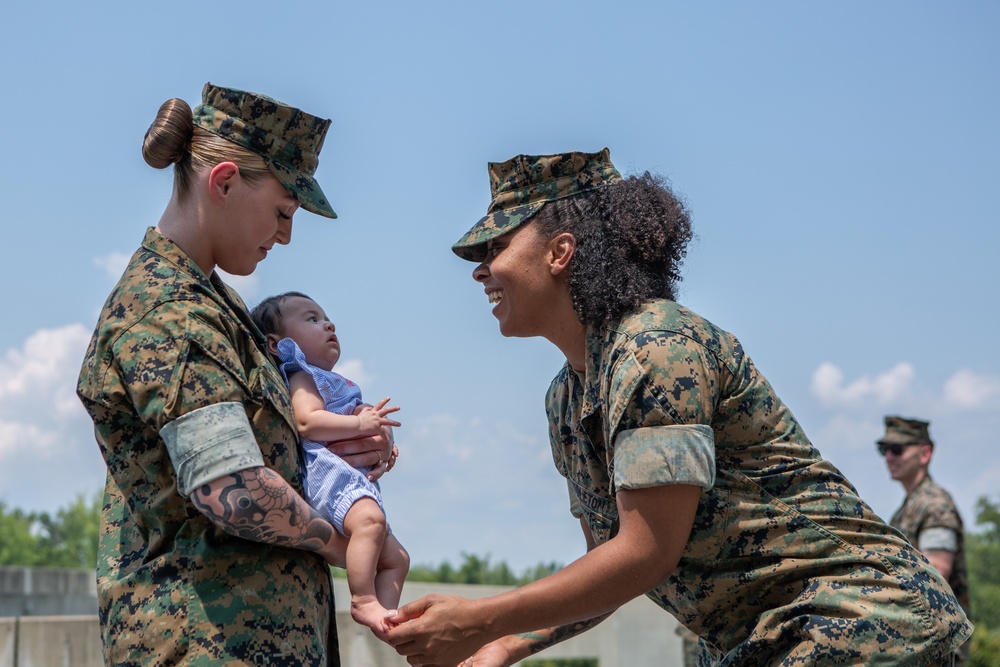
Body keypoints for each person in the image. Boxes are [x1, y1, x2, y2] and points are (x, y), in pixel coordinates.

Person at [386, 148, 973, 666]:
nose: (480, 269)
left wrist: (482, 618)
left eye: (498, 245)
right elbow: (611, 562)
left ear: (561, 252)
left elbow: (646, 553)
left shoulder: (657, 347)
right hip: (769, 638)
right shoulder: (567, 397)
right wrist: (507, 645)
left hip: (860, 618)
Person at [76, 82, 396, 666]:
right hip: (203, 643)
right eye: (282, 212)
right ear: (223, 182)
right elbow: (230, 488)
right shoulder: (169, 310)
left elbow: (274, 452)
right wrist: (343, 543)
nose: (286, 235)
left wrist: (349, 444)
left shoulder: (219, 308)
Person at [251, 291, 410, 639]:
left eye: (324, 317)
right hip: (328, 476)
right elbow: (307, 422)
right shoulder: (302, 375)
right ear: (278, 344)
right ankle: (363, 599)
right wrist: (360, 426)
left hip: (353, 481)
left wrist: (383, 442)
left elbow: (354, 421)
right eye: (311, 319)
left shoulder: (333, 381)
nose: (328, 323)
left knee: (397, 558)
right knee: (370, 522)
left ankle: (386, 620)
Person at [878, 415, 972, 664]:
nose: (889, 457)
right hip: (915, 642)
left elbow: (936, 573)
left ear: (925, 454)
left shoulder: (935, 504)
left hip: (936, 646)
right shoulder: (909, 507)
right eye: (884, 449)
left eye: (897, 449)